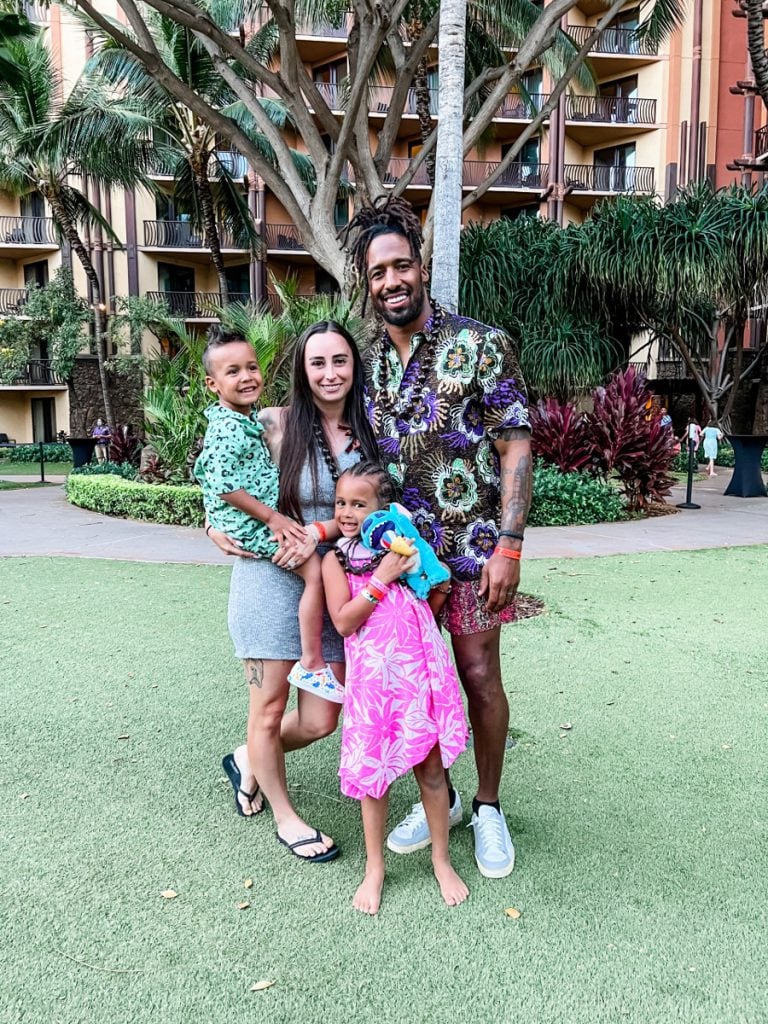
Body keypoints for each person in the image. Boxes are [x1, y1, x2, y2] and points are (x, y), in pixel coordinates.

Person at [342, 197, 532, 879]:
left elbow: (515, 446)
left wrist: (509, 545)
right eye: (376, 272)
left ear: (421, 266)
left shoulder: (480, 343)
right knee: (421, 689)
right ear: (367, 283)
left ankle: (486, 806)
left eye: (400, 265)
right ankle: (439, 798)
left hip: (476, 550)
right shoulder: (364, 363)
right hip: (401, 566)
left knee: (480, 677)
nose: (390, 280)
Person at [205, 321, 378, 861]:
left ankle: (248, 757)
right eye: (317, 362)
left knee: (323, 717)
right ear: (302, 371)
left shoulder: (373, 429)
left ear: (354, 366)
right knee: (268, 706)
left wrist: (322, 536)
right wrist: (210, 526)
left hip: (338, 584)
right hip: (271, 579)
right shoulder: (274, 423)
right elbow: (214, 471)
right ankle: (286, 818)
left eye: (340, 361)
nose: (330, 373)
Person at [322, 462, 469, 914]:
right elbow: (344, 622)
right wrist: (382, 580)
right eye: (341, 502)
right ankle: (375, 867)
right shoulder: (337, 560)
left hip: (419, 675)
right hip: (373, 685)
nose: (347, 513)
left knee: (431, 769)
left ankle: (440, 860)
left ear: (382, 509)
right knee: (375, 777)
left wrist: (419, 585)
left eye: (359, 504)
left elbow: (436, 588)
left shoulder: (403, 547)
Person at [194, 325, 336, 700]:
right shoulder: (244, 425)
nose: (246, 377)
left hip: (284, 530)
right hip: (268, 535)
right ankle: (312, 661)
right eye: (233, 371)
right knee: (316, 572)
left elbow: (207, 472)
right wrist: (216, 524)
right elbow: (221, 483)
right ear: (213, 384)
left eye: (251, 367)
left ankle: (314, 658)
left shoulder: (243, 422)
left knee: (316, 720)